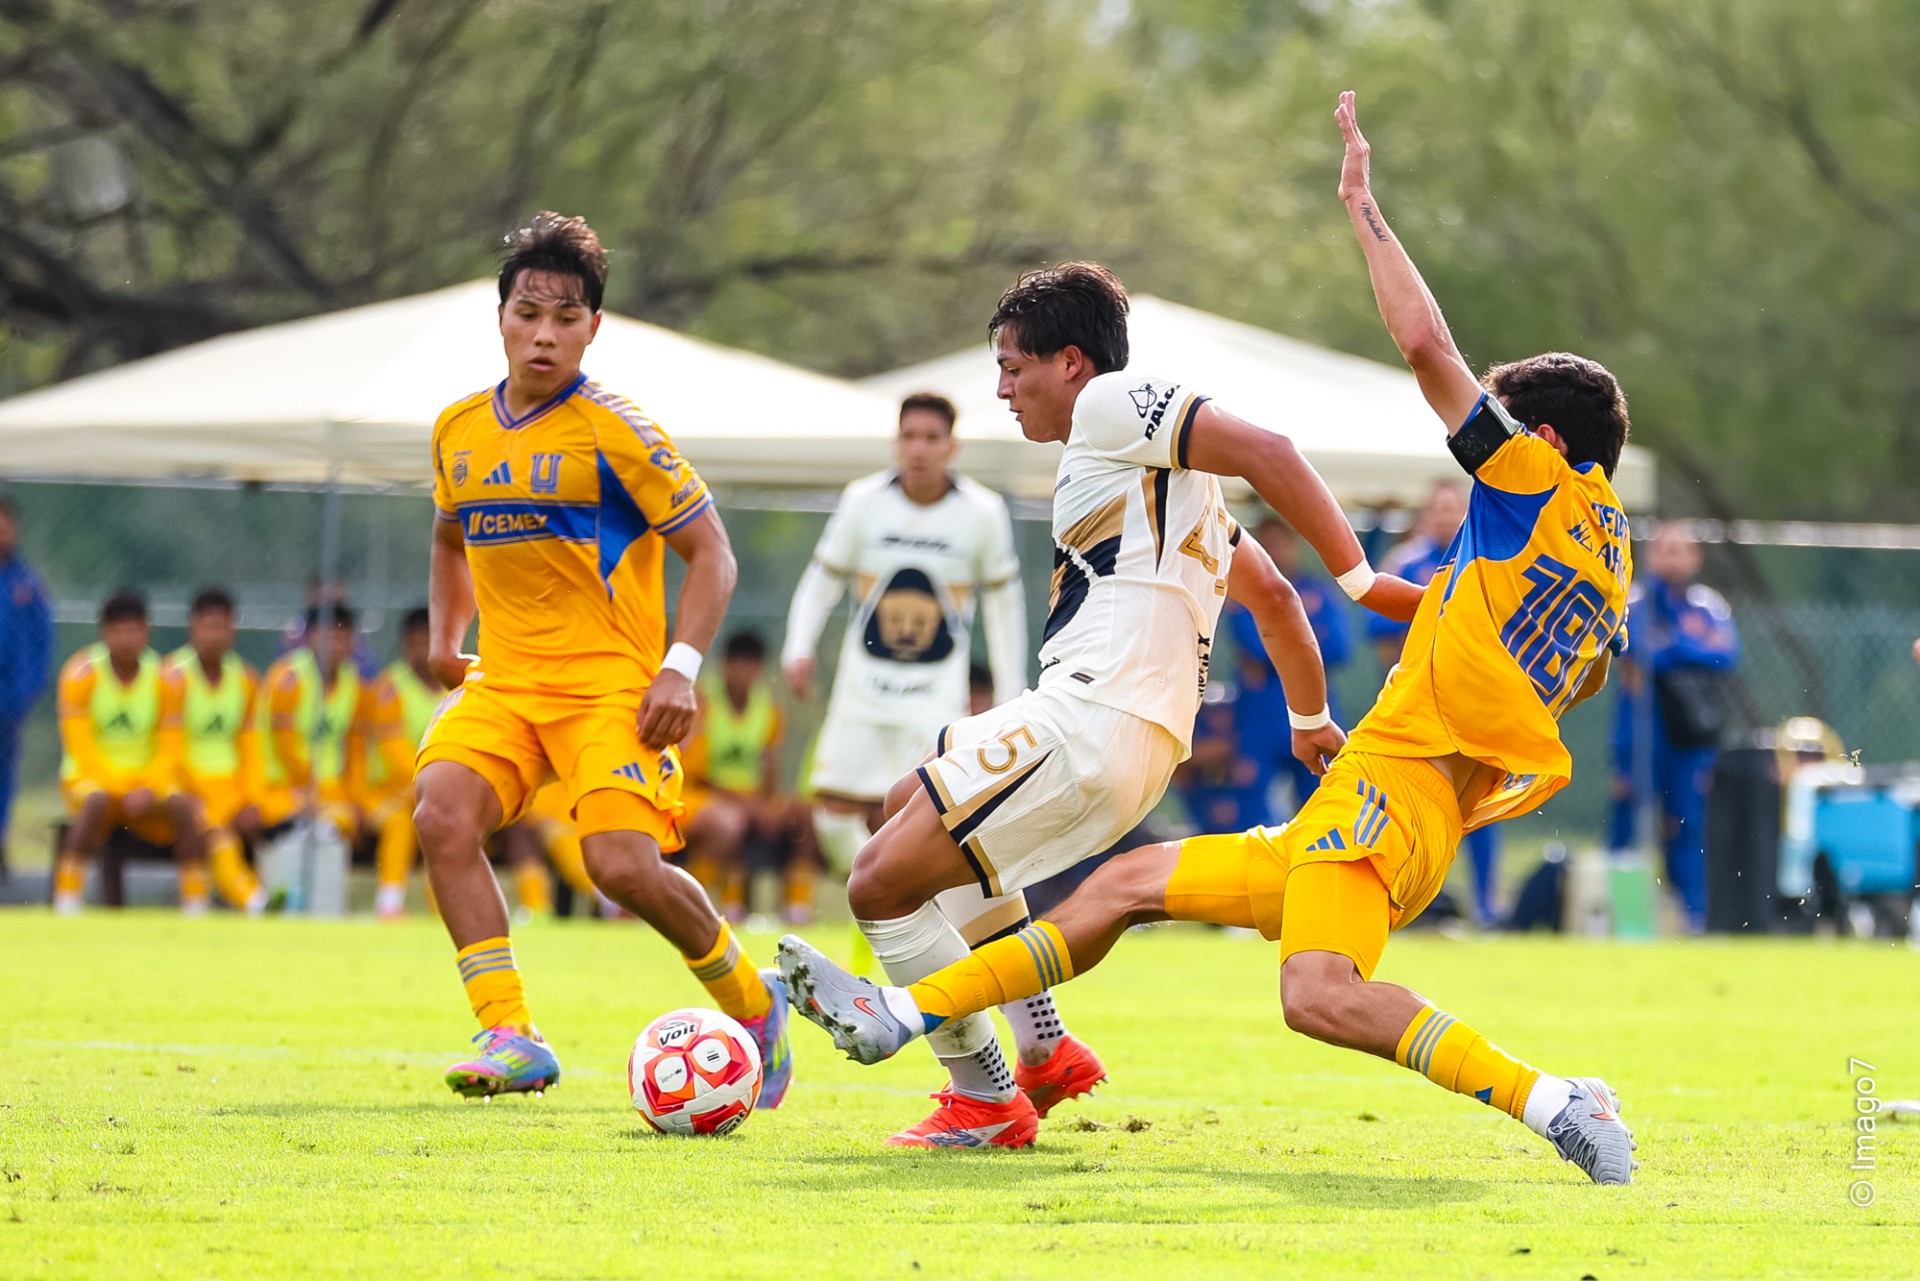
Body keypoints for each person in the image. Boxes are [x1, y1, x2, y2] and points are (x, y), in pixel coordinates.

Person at [780, 92, 1640, 1186]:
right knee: (1120, 888)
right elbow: (1466, 631)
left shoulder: (1530, 479)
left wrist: (1364, 208)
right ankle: (942, 1026)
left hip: (1369, 788)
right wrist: (1324, 701)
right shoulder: (1606, 560)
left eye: (1504, 423)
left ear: (1545, 438)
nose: (1482, 436)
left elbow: (1423, 344)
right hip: (1397, 802)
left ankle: (1556, 1100)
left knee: (1314, 995)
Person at [780, 257, 1421, 1149]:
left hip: (1093, 719)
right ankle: (1043, 1048)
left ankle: (984, 1098)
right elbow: (1275, 601)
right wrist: (1309, 719)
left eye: (1012, 367)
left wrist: (1362, 581)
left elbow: (1270, 450)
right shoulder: (1176, 494)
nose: (1002, 390)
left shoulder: (1111, 404)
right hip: (1125, 738)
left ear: (1072, 363)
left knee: (878, 883)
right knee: (905, 804)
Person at [411, 211, 792, 1102]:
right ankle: (510, 1032)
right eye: (528, 313)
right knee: (441, 815)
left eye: (566, 317)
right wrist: (443, 636)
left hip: (610, 688)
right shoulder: (458, 429)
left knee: (620, 867)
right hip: (505, 680)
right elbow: (448, 536)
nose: (544, 334)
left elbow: (713, 553)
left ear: (594, 327)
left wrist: (680, 667)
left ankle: (754, 1000)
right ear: (500, 317)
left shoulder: (617, 430)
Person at [782, 391, 1112, 1111]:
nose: (920, 448)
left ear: (951, 445)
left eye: (932, 437)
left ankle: (999, 1063)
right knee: (866, 832)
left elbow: (1002, 603)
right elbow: (822, 578)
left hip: (936, 704)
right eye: (909, 436)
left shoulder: (982, 513)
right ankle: (1034, 1034)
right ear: (896, 441)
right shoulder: (863, 501)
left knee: (946, 847)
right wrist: (798, 645)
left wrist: (1017, 692)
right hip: (864, 695)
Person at [1368, 482, 1504, 925]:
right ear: (1427, 514)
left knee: (1477, 803)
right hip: (1420, 703)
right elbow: (1376, 624)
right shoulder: (1405, 561)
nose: (1447, 516)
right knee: (1413, 805)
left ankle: (1485, 907)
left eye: (1454, 508)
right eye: (1439, 508)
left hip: (1472, 702)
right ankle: (1415, 903)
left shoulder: (1486, 557)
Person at [1607, 525, 1740, 933]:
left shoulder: (1708, 606)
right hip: (1639, 733)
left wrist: (1673, 645)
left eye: (1681, 550)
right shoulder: (1635, 602)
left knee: (1686, 825)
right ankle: (1623, 919)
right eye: (1665, 550)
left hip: (1689, 736)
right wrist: (1680, 650)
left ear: (1696, 557)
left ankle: (1693, 918)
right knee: (1628, 820)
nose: (1673, 559)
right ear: (1650, 556)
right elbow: (1632, 649)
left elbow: (1725, 655)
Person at [53, 591, 203, 913]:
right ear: (104, 632)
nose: (125, 640)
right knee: (95, 801)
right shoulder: (80, 674)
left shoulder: (166, 678)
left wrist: (147, 787)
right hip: (91, 780)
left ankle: (196, 903)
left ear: (146, 631)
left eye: (132, 630)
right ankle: (67, 899)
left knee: (182, 805)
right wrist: (121, 789)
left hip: (145, 785)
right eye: (117, 631)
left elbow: (170, 750)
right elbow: (80, 749)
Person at [681, 630, 815, 926]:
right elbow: (695, 773)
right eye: (738, 664)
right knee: (730, 822)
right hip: (703, 795)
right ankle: (704, 904)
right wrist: (745, 803)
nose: (744, 673)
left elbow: (770, 763)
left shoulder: (768, 707)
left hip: (750, 799)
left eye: (752, 665)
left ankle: (797, 911)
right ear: (725, 665)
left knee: (803, 818)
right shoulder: (703, 701)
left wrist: (766, 805)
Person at [1224, 516, 1353, 823]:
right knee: (1252, 811)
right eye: (1268, 545)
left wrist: (1284, 646)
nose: (1277, 552)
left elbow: (1340, 647)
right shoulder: (1243, 595)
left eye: (1282, 544)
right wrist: (1307, 642)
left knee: (1320, 808)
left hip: (1317, 711)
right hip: (1260, 718)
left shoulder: (1318, 591)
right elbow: (1253, 645)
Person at [162, 588, 268, 914]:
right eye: (207, 627)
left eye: (221, 627)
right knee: (218, 837)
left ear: (233, 630)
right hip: (187, 786)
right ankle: (253, 901)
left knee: (269, 824)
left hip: (230, 789)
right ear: (192, 628)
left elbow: (251, 749)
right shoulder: (172, 677)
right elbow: (168, 750)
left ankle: (279, 896)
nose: (214, 636)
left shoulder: (246, 679)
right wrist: (193, 793)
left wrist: (251, 798)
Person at [255, 605, 375, 848]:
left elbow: (355, 753)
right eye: (329, 637)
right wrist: (314, 791)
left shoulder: (356, 685)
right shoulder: (287, 680)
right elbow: (286, 751)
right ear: (310, 638)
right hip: (285, 787)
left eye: (342, 638)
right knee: (335, 821)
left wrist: (356, 797)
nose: (335, 646)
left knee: (364, 818)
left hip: (331, 788)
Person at [365, 607, 451, 920]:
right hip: (386, 792)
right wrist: (433, 785)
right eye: (416, 643)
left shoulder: (457, 686)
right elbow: (395, 753)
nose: (423, 651)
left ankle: (445, 911)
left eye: (429, 642)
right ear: (405, 645)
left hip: (434, 790)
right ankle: (389, 906)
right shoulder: (390, 688)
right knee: (401, 823)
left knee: (449, 824)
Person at [0, 494, 54, 875]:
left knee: (4, 774)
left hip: (9, 701)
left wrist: (27, 691)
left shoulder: (27, 584)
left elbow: (41, 642)